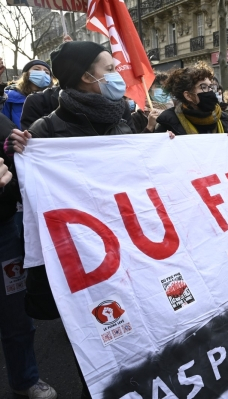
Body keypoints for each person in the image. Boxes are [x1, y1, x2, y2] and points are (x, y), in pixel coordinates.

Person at [8, 39, 138, 399]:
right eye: (108, 69)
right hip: (83, 251)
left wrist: (163, 143)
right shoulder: (47, 131)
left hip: (128, 239)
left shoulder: (124, 116)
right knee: (100, 333)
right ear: (85, 77)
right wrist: (16, 152)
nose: (117, 76)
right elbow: (27, 192)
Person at [0, 112, 58, 399]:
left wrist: (15, 151)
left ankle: (25, 380)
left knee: (16, 315)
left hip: (4, 231)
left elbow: (14, 155)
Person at [155, 63, 228, 135]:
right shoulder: (168, 122)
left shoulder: (223, 118)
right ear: (188, 96)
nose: (210, 91)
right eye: (203, 87)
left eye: (211, 86)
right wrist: (165, 139)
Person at [2, 60, 53, 129]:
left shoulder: (55, 98)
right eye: (37, 69)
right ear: (26, 74)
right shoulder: (8, 98)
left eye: (47, 72)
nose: (43, 73)